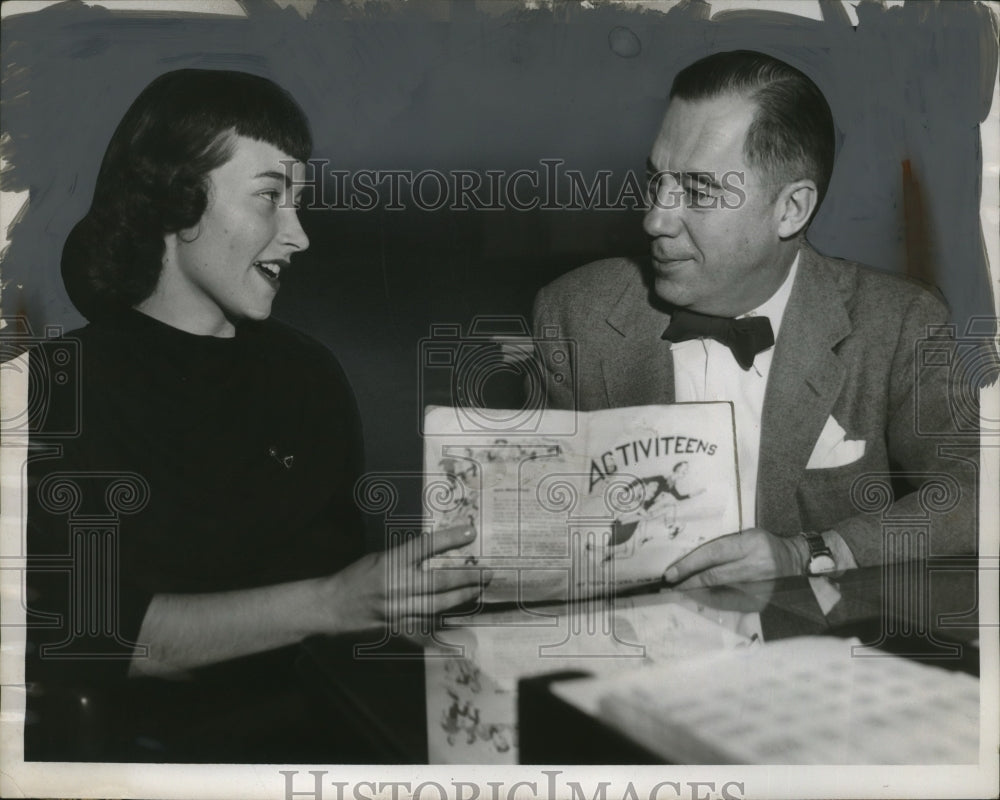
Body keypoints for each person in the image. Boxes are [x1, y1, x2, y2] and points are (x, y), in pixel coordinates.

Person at [24, 69, 486, 762]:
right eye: (270, 197)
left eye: (298, 202)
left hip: (337, 733)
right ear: (177, 199)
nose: (299, 236)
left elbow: (343, 605)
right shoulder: (59, 386)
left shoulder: (308, 373)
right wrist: (337, 601)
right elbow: (88, 637)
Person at [532, 51, 978, 588]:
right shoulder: (574, 313)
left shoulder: (899, 322)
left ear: (791, 209)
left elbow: (978, 493)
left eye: (698, 191)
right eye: (657, 181)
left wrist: (816, 552)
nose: (655, 219)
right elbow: (543, 521)